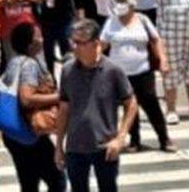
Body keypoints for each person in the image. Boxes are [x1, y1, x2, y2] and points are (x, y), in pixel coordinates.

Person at [54, 18, 137, 192]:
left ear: (95, 44)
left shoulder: (113, 70)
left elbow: (131, 103)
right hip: (75, 147)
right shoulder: (67, 70)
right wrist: (59, 146)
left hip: (104, 147)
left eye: (80, 43)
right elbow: (64, 109)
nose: (75, 47)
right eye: (73, 42)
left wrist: (120, 137)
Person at [100, 0, 173, 153]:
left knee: (151, 105)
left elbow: (155, 41)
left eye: (123, 0)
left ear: (132, 2)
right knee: (128, 106)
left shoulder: (143, 20)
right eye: (117, 0)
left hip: (142, 71)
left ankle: (164, 138)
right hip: (119, 74)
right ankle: (135, 140)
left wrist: (163, 60)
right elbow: (102, 44)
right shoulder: (111, 22)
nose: (119, 3)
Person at [0, 22, 66, 192]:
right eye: (38, 36)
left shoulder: (14, 62)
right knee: (57, 179)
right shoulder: (29, 65)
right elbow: (27, 99)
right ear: (30, 44)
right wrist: (60, 97)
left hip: (13, 133)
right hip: (28, 131)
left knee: (29, 182)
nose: (42, 39)